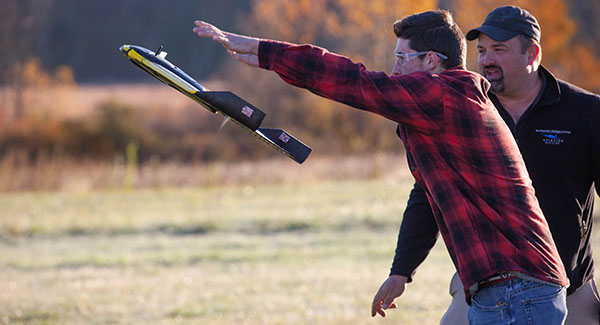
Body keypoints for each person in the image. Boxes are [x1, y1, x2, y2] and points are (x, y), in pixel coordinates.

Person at [192, 10, 569, 323]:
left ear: (431, 62)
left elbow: (352, 81)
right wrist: (401, 271)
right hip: (510, 288)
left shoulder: (443, 96)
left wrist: (264, 52)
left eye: (401, 58)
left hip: (516, 291)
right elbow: (428, 197)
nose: (394, 69)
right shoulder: (447, 108)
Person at [375, 6, 600, 325]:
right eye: (481, 50)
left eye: (499, 49)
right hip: (485, 285)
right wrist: (401, 271)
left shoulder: (586, 113)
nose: (486, 60)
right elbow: (427, 195)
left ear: (532, 53)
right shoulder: (463, 109)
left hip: (570, 285)